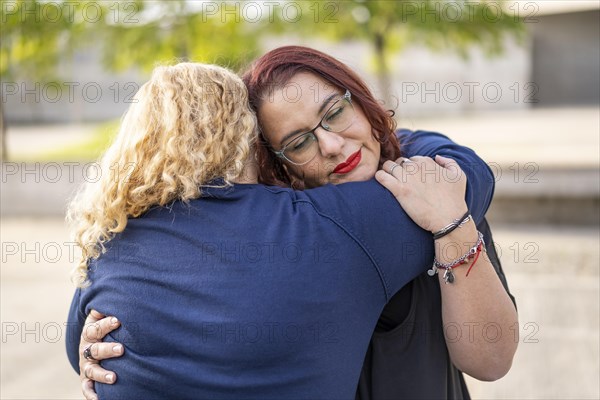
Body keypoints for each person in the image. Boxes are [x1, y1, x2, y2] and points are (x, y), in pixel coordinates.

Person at [65, 62, 513, 399]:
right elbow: (473, 171)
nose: (333, 145)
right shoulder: (326, 223)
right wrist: (91, 349)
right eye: (298, 143)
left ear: (361, 100)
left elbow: (491, 359)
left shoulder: (434, 195)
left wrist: (453, 225)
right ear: (271, 164)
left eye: (336, 112)